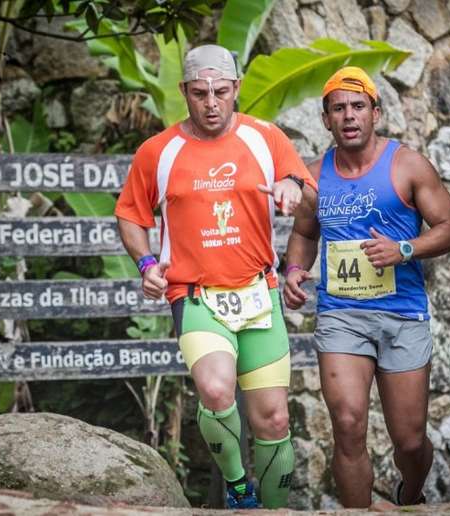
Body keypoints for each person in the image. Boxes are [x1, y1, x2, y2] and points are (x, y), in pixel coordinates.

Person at [114, 44, 317, 509]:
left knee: (274, 421)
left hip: (258, 293)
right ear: (184, 90)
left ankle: (272, 506)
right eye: (200, 93)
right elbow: (129, 213)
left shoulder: (265, 137)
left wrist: (291, 188)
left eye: (221, 92)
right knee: (215, 387)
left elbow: (305, 192)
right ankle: (238, 485)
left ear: (237, 89)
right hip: (196, 296)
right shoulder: (158, 151)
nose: (211, 103)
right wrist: (146, 264)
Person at [283, 66, 450, 508]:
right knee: (346, 424)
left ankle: (411, 493)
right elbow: (305, 235)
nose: (349, 116)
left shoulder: (407, 165)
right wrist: (292, 269)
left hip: (402, 314)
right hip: (341, 315)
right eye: (338, 109)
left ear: (375, 113)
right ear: (326, 120)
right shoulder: (312, 177)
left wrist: (404, 248)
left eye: (358, 107)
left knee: (408, 441)